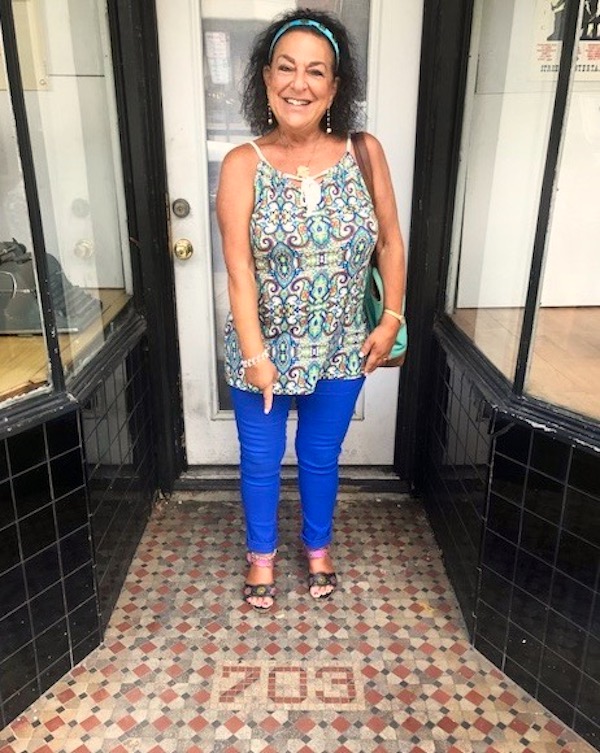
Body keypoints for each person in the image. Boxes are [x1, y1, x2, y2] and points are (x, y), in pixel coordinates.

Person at [216, 8, 406, 611]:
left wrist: (390, 318)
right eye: (287, 68)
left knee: (322, 455)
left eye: (316, 72)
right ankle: (262, 554)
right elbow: (239, 269)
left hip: (344, 343)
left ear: (334, 87)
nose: (299, 84)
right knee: (262, 459)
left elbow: (391, 242)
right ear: (265, 77)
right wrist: (254, 354)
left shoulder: (365, 151)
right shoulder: (243, 164)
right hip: (263, 345)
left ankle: (318, 546)